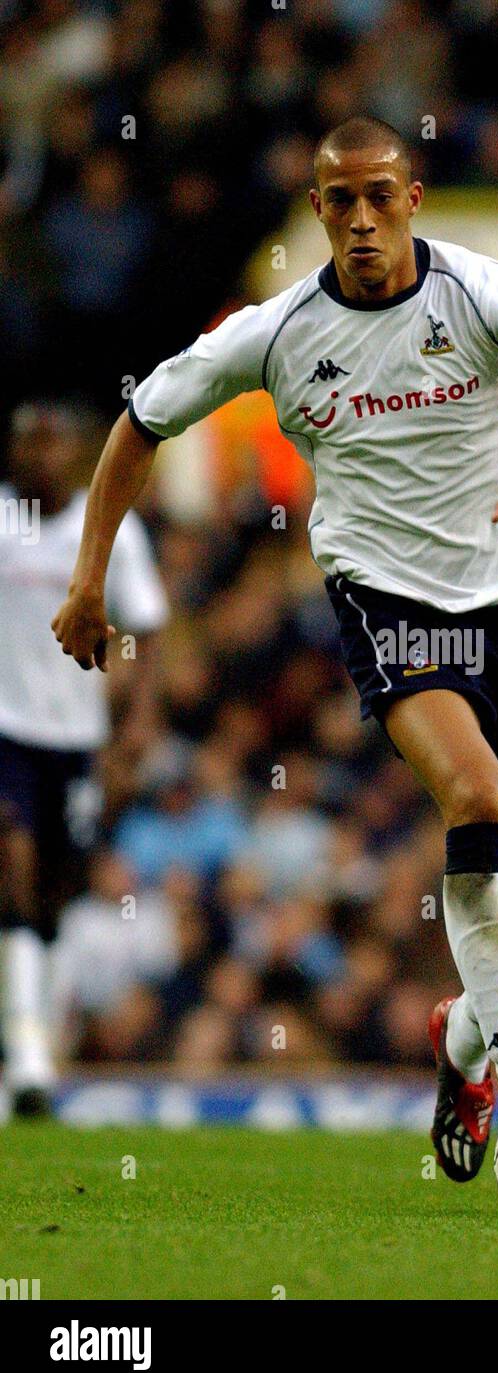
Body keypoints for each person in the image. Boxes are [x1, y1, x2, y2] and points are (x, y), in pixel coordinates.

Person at [52, 117, 498, 1179]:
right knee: (478, 802)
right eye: (343, 200)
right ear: (318, 210)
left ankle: (464, 1039)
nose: (365, 218)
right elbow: (138, 424)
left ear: (413, 197)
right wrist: (88, 575)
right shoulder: (274, 333)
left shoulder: (482, 296)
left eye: (383, 194)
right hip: (392, 607)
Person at [1, 401, 167, 1115]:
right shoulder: (3, 522)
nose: (38, 457)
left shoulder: (105, 537)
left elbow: (148, 628)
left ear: (74, 455)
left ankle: (38, 1040)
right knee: (14, 859)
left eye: (50, 444)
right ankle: (28, 1050)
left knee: (55, 894)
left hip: (74, 738)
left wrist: (135, 722)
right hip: (5, 727)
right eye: (26, 444)